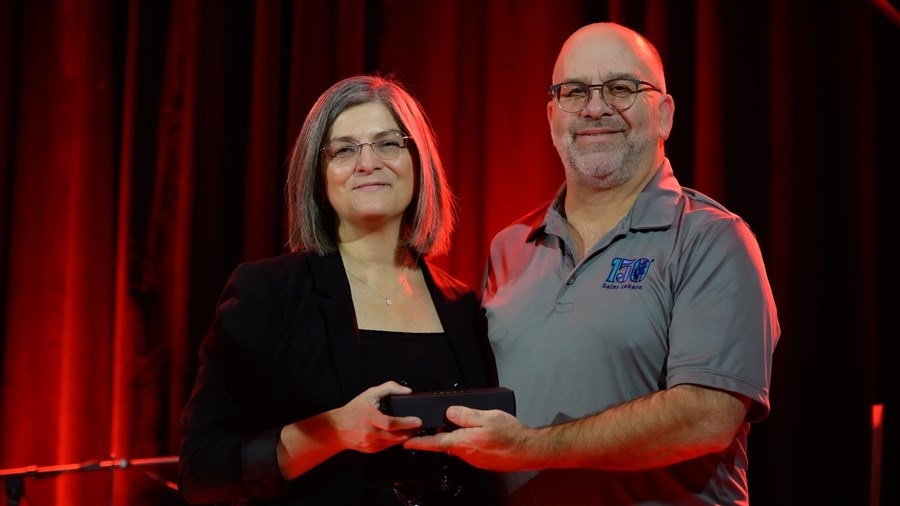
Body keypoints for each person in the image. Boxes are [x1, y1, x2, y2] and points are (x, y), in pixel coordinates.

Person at [404, 22, 780, 505]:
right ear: (551, 115)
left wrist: (529, 448)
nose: (595, 108)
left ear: (664, 114)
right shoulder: (510, 246)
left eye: (621, 88)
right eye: (574, 91)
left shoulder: (713, 239)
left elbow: (706, 417)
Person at [178, 74, 497, 505]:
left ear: (418, 162)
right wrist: (332, 431)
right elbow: (202, 470)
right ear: (319, 177)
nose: (368, 163)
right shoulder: (268, 293)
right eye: (345, 150)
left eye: (388, 143)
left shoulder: (462, 306)